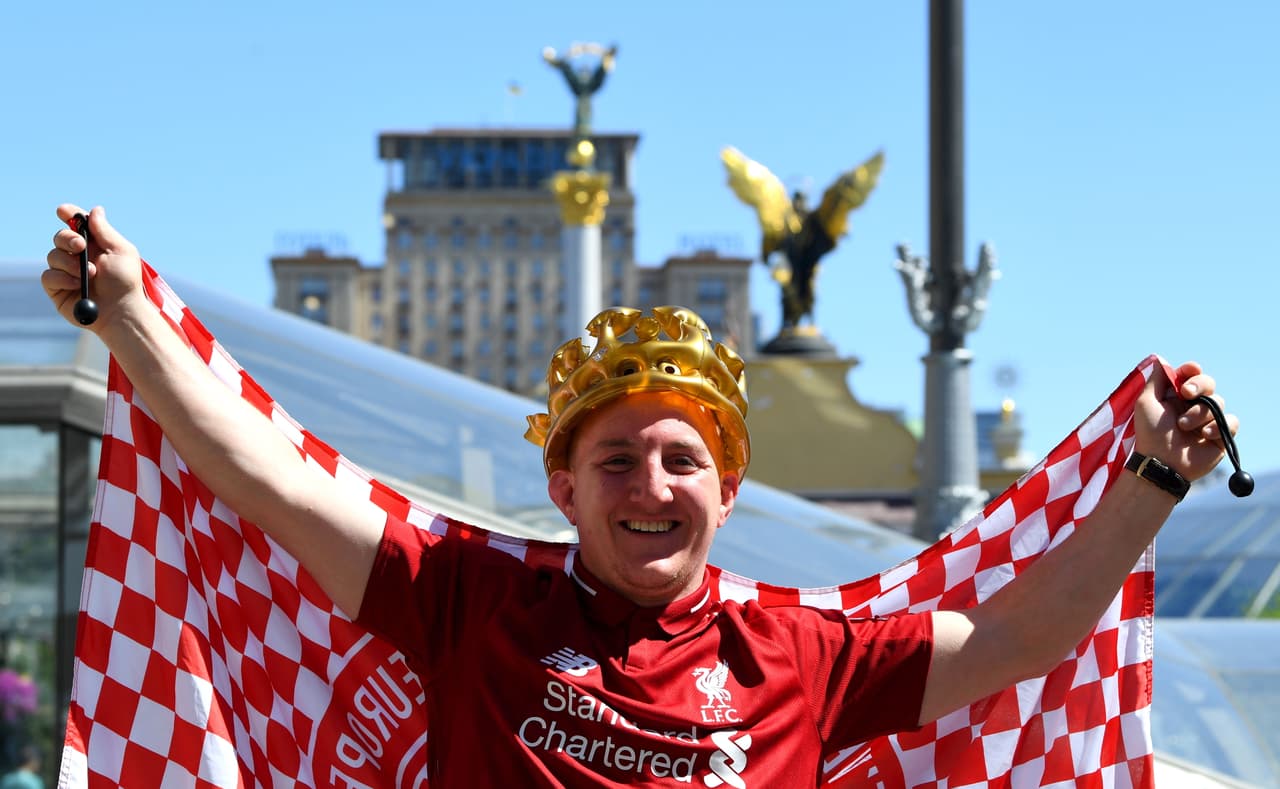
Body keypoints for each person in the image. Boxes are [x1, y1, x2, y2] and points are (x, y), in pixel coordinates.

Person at [43, 205, 1239, 786]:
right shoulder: (462, 597)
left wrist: (1150, 480)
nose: (649, 488)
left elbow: (1023, 637)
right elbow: (264, 480)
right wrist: (133, 317)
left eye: (680, 461)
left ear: (728, 491)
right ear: (561, 486)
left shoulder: (800, 654)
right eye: (614, 460)